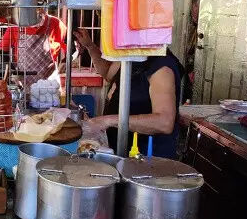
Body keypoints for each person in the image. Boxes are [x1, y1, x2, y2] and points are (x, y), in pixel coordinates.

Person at [73, 27, 182, 158]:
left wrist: (108, 120)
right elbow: (108, 73)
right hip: (122, 150)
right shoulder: (131, 54)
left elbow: (165, 122)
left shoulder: (161, 66)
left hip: (147, 159)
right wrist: (90, 46)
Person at [0, 4, 67, 88]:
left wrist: (65, 61)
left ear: (41, 10)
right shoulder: (15, 25)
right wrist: (13, 70)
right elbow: (3, 49)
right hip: (23, 82)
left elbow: (72, 47)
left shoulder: (56, 24)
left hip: (49, 85)